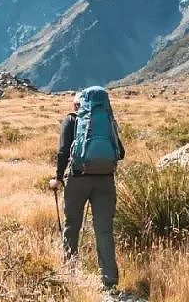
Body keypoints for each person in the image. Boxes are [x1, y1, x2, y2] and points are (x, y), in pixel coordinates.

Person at [49, 87, 123, 291]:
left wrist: (57, 177)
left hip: (78, 180)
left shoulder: (72, 120)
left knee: (72, 225)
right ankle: (109, 282)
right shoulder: (108, 121)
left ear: (77, 105)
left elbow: (63, 151)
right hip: (105, 181)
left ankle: (70, 271)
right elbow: (121, 152)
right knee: (104, 231)